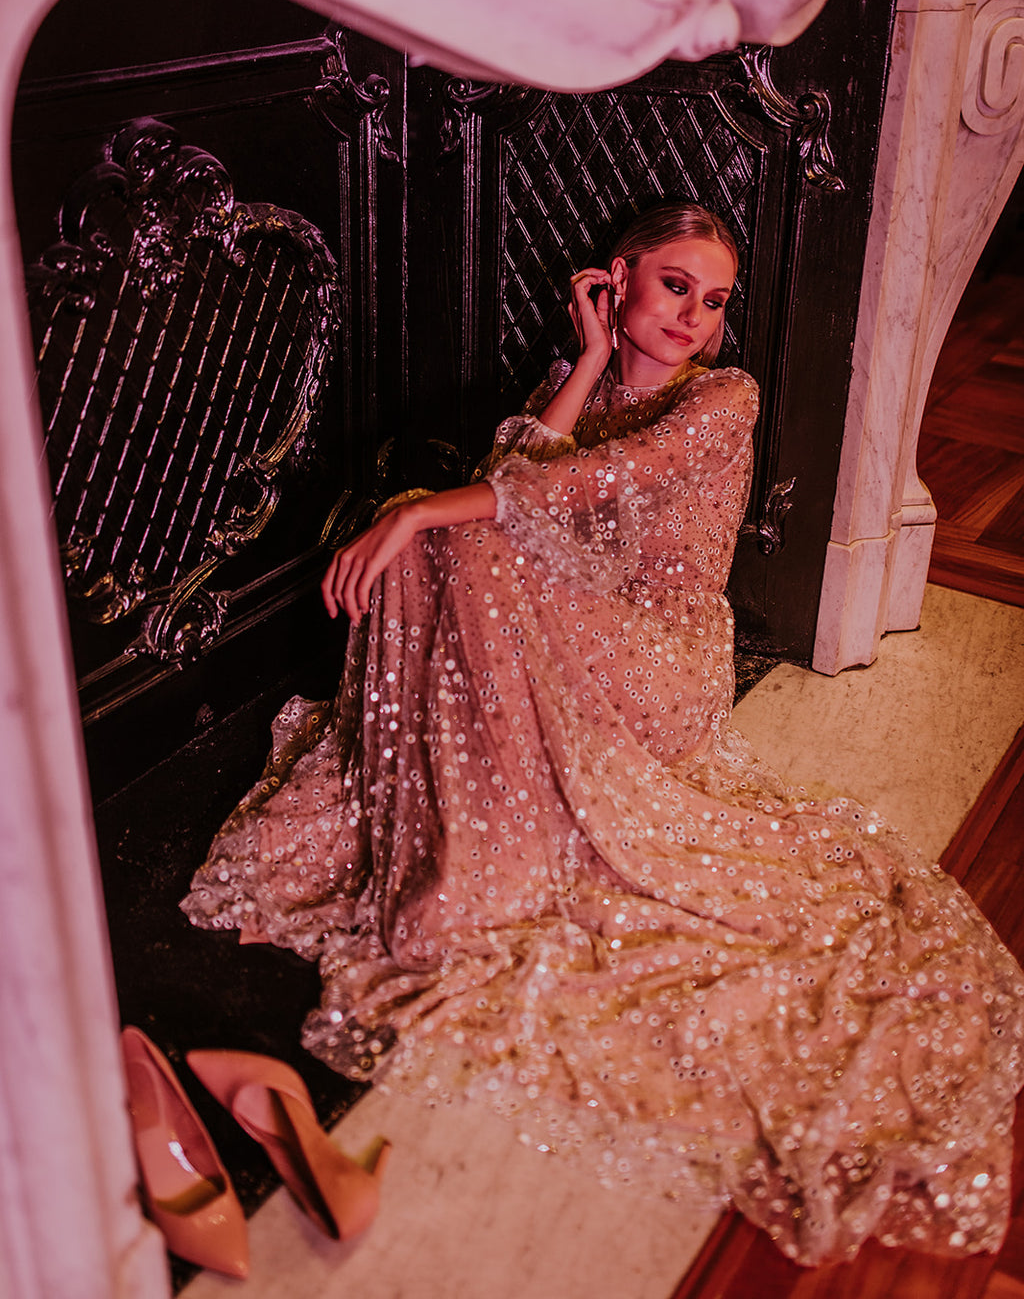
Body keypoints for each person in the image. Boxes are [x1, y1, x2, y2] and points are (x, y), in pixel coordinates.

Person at [183, 203, 1024, 1267]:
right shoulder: (582, 374)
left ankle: (484, 856)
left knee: (447, 530)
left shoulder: (721, 399)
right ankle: (473, 807)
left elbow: (566, 486)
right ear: (615, 279)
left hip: (661, 662)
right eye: (673, 285)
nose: (694, 316)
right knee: (441, 527)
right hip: (574, 619)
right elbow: (518, 463)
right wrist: (582, 364)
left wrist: (417, 513)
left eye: (712, 299)